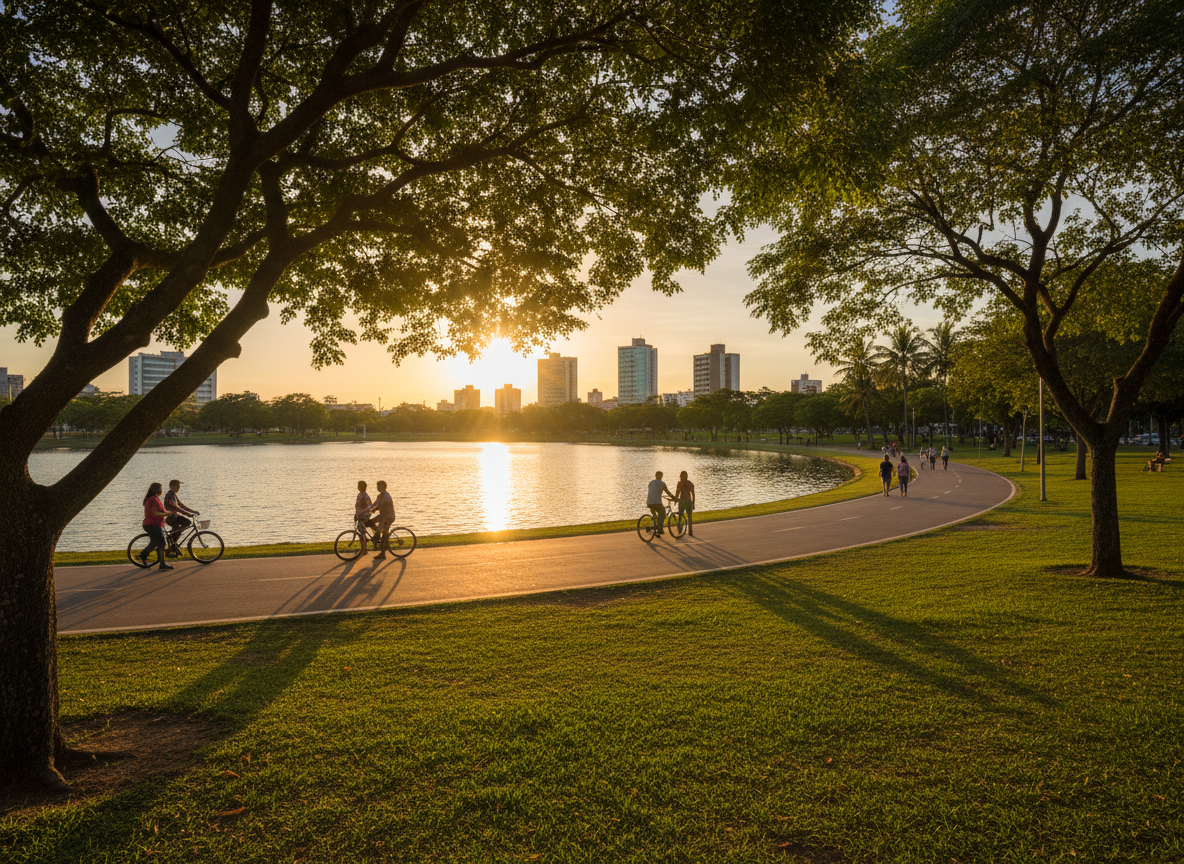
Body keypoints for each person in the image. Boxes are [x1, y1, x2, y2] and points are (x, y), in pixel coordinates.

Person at [140, 483, 174, 571]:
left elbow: (160, 511)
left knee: (160, 543)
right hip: (152, 524)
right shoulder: (153, 499)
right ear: (157, 490)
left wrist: (169, 513)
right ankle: (144, 554)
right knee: (160, 542)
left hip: (156, 524)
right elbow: (155, 513)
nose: (161, 491)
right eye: (161, 489)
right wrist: (167, 514)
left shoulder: (154, 499)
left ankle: (161, 562)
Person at [163, 479, 198, 548]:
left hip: (174, 516)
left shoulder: (173, 494)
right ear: (171, 486)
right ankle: (172, 541)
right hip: (171, 517)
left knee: (185, 524)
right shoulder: (171, 494)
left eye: (179, 487)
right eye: (177, 487)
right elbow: (176, 507)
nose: (178, 489)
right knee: (186, 523)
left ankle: (173, 540)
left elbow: (181, 505)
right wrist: (188, 514)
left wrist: (193, 511)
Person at [370, 480, 396, 560]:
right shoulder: (380, 496)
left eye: (379, 486)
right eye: (377, 486)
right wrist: (368, 509)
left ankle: (382, 554)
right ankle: (377, 534)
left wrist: (373, 509)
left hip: (388, 517)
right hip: (383, 516)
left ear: (384, 487)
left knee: (384, 534)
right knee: (369, 523)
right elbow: (375, 504)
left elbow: (379, 505)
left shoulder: (386, 496)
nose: (378, 488)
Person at [646, 471, 675, 536]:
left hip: (649, 502)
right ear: (661, 476)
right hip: (657, 503)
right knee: (663, 513)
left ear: (655, 476)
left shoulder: (651, 483)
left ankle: (653, 528)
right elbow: (668, 493)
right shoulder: (662, 483)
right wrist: (674, 498)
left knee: (656, 516)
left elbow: (653, 492)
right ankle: (660, 530)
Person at [674, 471, 696, 538]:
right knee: (689, 517)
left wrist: (675, 500)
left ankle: (680, 531)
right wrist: (693, 503)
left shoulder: (680, 483)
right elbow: (693, 494)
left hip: (682, 502)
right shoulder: (690, 483)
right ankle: (690, 531)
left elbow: (677, 492)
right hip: (688, 502)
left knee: (680, 516)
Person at [354, 480, 374, 553]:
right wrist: (356, 514)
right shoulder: (361, 495)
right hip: (361, 515)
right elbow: (358, 507)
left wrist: (359, 514)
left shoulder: (363, 496)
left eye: (359, 486)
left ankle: (364, 549)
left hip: (363, 516)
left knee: (361, 532)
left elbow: (368, 507)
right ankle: (364, 547)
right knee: (361, 531)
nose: (358, 487)